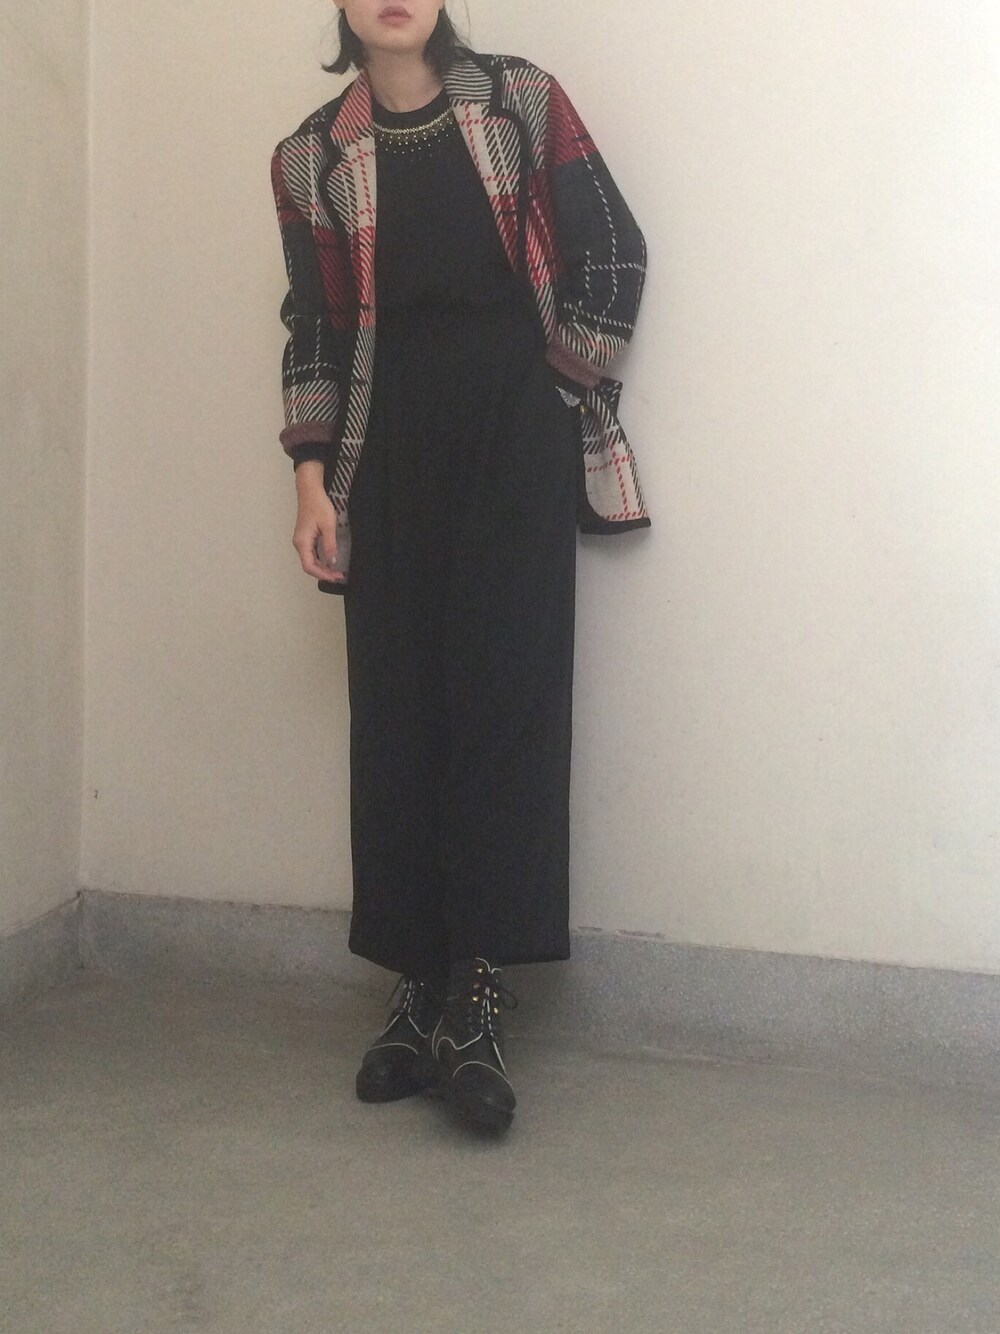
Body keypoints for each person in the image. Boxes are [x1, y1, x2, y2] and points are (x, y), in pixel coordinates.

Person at [271, 0, 648, 1135]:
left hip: (511, 440)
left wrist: (554, 397)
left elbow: (613, 252)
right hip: (382, 452)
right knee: (395, 709)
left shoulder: (520, 100)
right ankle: (415, 983)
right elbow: (315, 325)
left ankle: (478, 991)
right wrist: (309, 478)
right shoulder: (311, 157)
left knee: (504, 703)